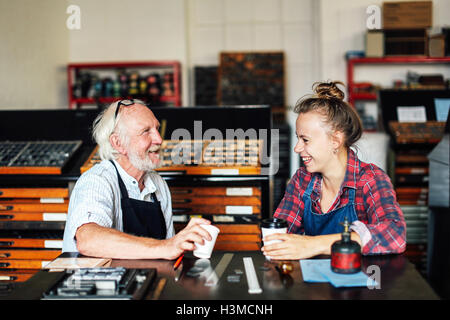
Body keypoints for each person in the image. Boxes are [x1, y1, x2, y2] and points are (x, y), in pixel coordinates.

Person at [262, 81, 406, 260]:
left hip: (359, 282)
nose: (297, 148)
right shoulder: (302, 180)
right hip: (311, 283)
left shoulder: (370, 180)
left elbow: (395, 234)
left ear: (335, 140)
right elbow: (281, 236)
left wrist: (315, 244)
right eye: (298, 139)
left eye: (305, 140)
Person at [62, 99, 212, 259]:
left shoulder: (158, 185)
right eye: (146, 131)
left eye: (157, 129)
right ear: (118, 143)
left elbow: (168, 254)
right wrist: (165, 247)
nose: (159, 140)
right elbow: (88, 240)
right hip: (97, 282)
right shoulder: (97, 181)